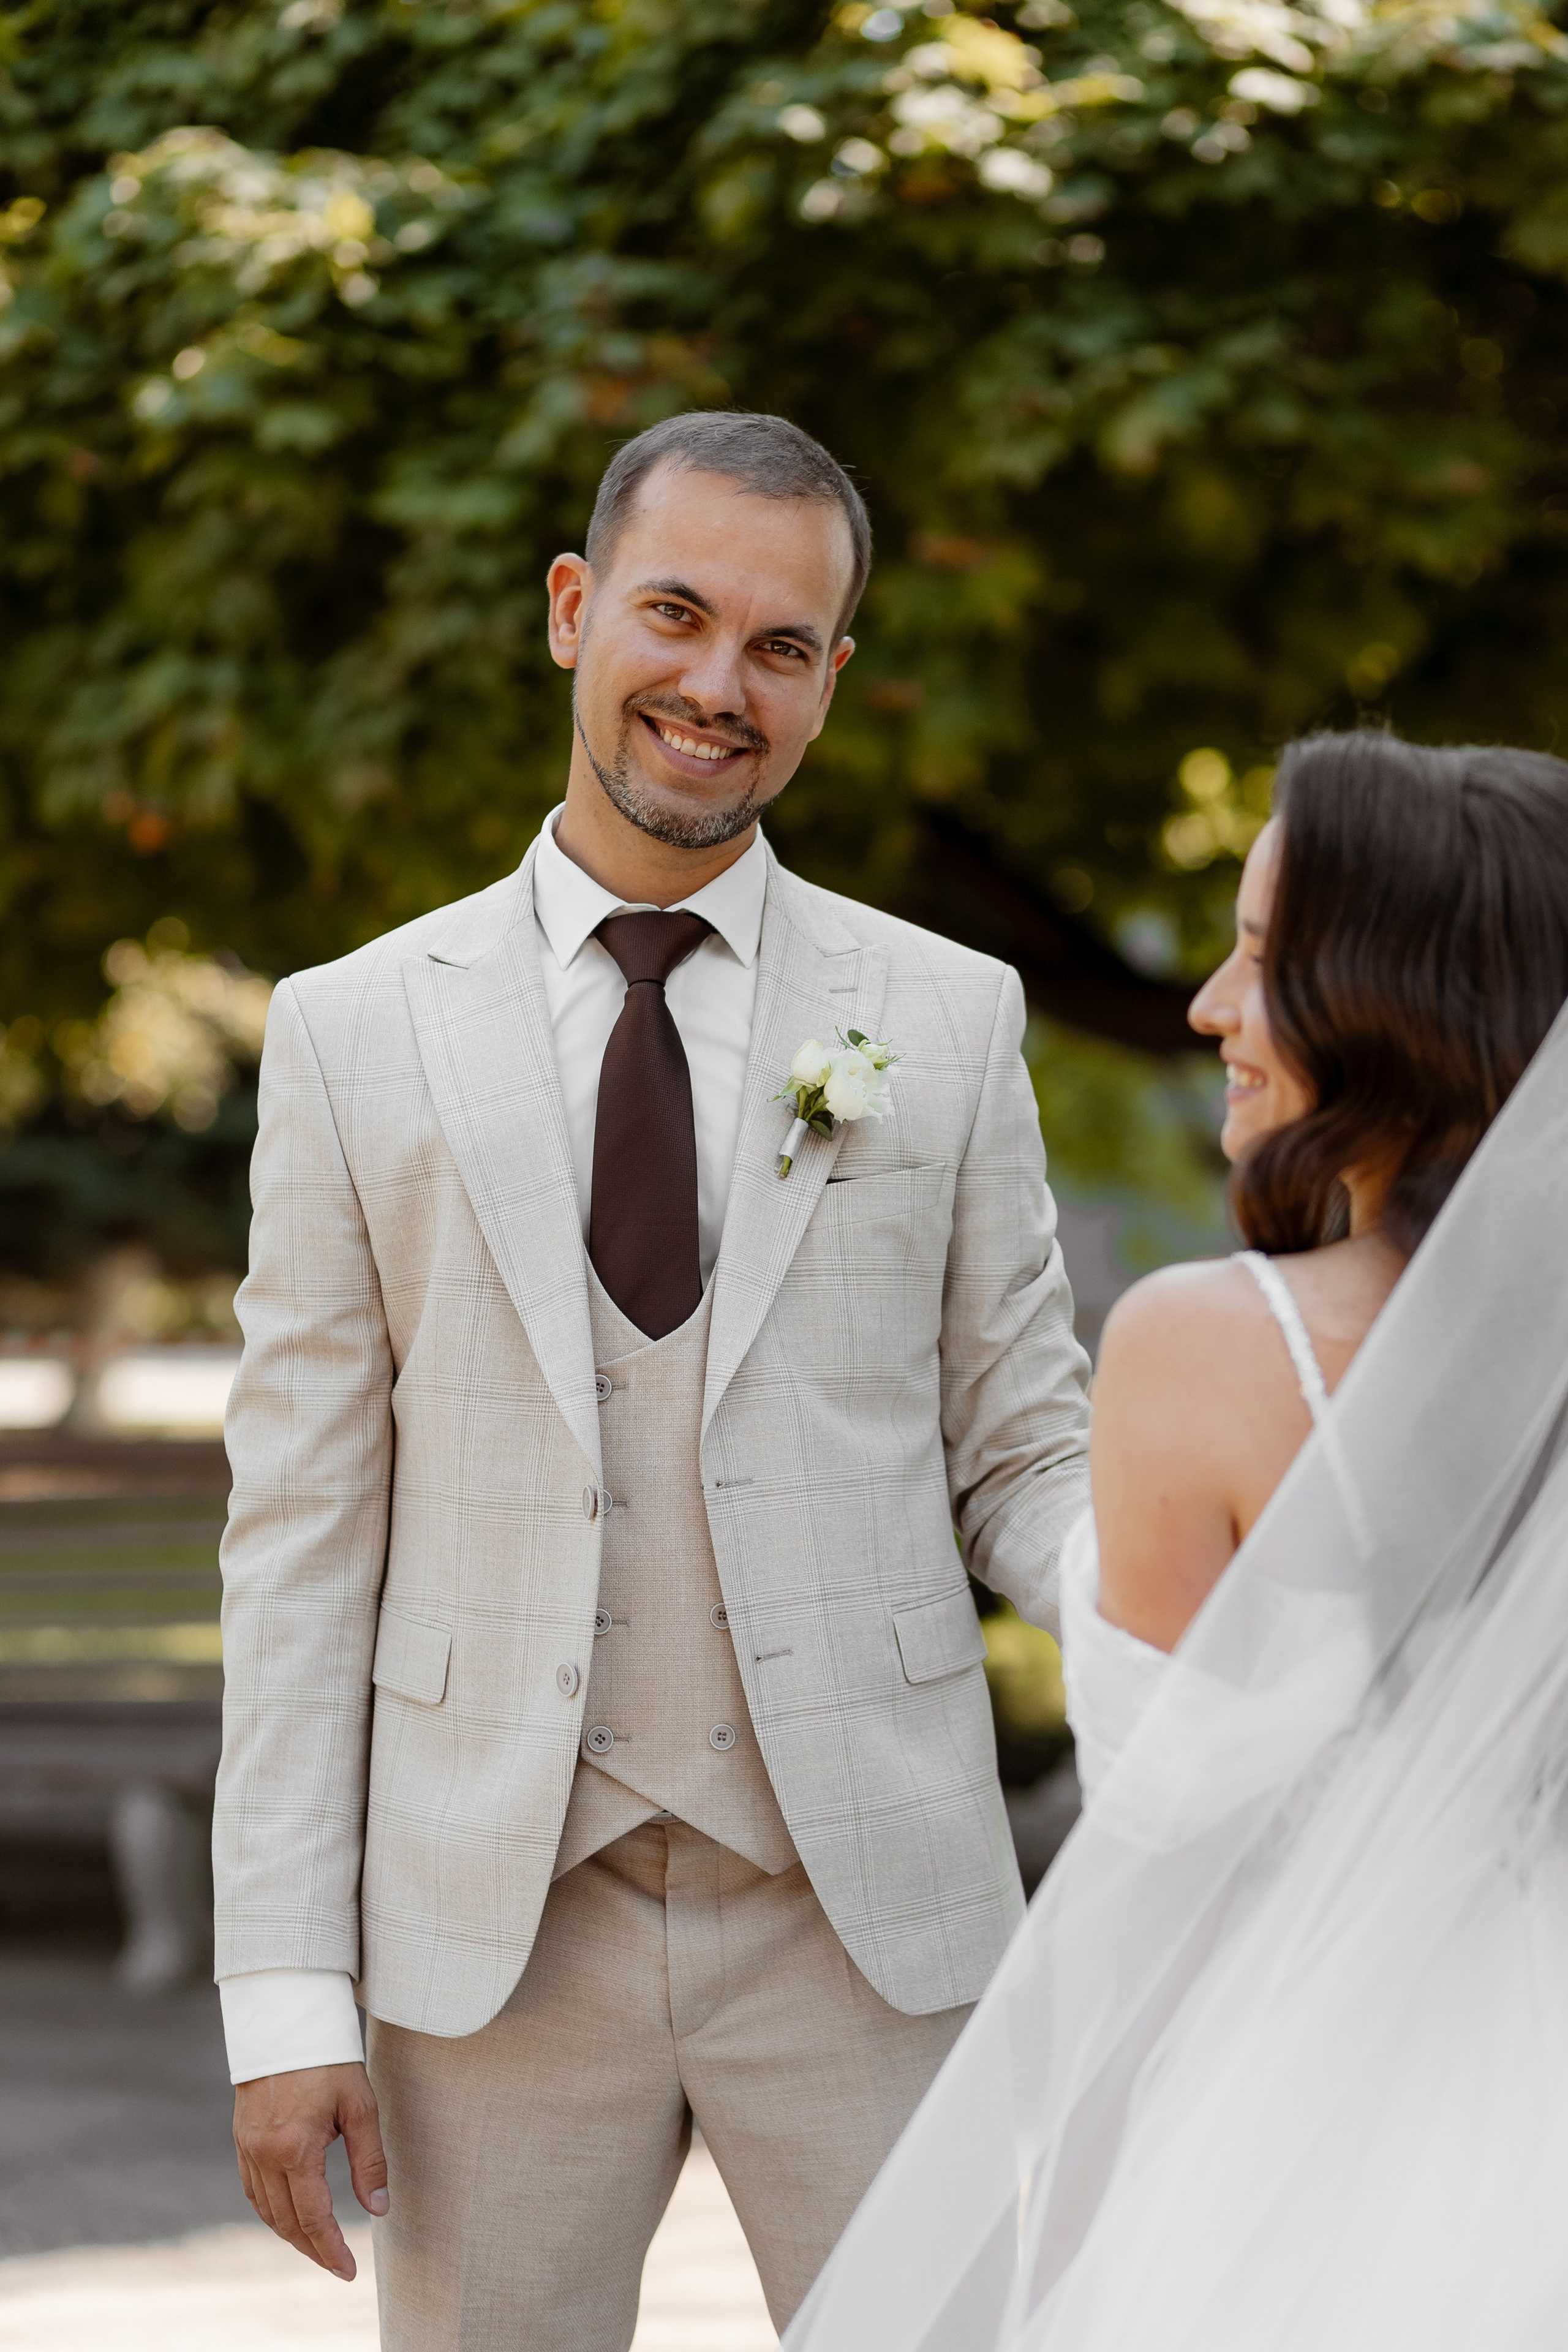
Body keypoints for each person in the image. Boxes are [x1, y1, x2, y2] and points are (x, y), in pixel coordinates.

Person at [212, 409, 1092, 2349]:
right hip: (489, 1936)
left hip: (869, 1910)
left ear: (833, 681)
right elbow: (297, 1540)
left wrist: (1175, 1623)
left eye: (782, 647)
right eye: (675, 617)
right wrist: (285, 1997)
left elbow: (1024, 1443)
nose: (717, 686)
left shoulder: (946, 1018)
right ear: (571, 611)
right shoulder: (352, 1033)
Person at [785, 730, 1568, 2351]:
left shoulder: (1210, 1347)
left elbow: (1156, 1909)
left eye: (1265, 959)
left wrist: (1075, 2256)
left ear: (1398, 999)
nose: (1209, 1004)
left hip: (1293, 2150)